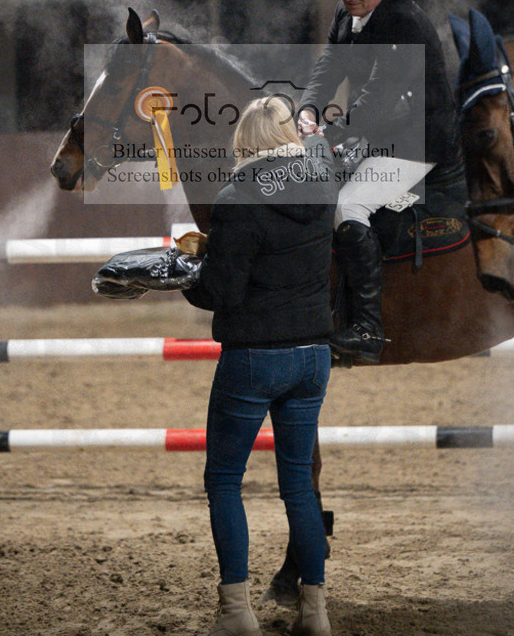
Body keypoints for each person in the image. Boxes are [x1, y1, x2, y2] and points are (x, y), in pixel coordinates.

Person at [183, 96, 338, 636]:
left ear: (246, 141)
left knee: (224, 479)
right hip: (314, 355)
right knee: (298, 484)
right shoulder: (322, 183)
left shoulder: (236, 196)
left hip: (255, 355)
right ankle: (315, 611)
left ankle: (236, 612)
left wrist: (187, 274)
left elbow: (222, 290)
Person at [298, 0, 459, 364]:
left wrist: (324, 135)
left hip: (417, 141)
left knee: (348, 207)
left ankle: (368, 328)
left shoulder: (404, 21)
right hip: (379, 129)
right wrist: (307, 111)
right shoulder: (348, 8)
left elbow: (377, 101)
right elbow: (329, 64)